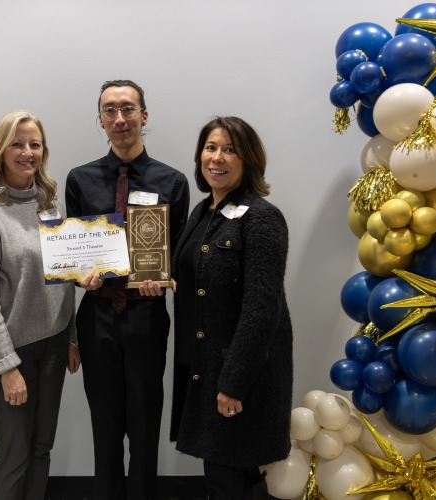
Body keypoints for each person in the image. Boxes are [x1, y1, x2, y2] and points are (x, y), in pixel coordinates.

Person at [65, 79, 190, 499]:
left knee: (143, 424)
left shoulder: (172, 182)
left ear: (144, 116)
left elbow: (175, 254)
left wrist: (166, 278)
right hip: (96, 314)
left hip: (146, 315)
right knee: (104, 428)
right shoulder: (79, 179)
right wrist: (79, 273)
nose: (120, 119)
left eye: (128, 109)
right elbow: (74, 251)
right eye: (110, 110)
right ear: (100, 120)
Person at [170, 116, 293, 499]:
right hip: (204, 365)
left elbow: (261, 308)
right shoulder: (202, 212)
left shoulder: (262, 218)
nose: (217, 158)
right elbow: (201, 276)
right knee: (227, 474)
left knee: (228, 476)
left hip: (239, 373)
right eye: (210, 148)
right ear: (199, 156)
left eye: (229, 149)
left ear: (248, 159)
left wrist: (234, 382)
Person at [0, 111, 80, 500]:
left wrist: (73, 336)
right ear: (1, 150)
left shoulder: (49, 205)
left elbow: (61, 276)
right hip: (11, 354)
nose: (27, 152)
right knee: (14, 454)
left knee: (41, 448)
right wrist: (6, 366)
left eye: (35, 144)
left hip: (54, 344)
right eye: (17, 143)